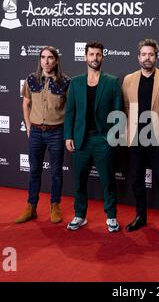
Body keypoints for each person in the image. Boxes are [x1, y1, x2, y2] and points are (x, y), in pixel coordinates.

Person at [122, 39, 159, 237]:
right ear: (138, 57)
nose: (147, 58)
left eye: (151, 54)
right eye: (144, 54)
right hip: (136, 138)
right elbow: (126, 108)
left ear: (156, 56)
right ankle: (140, 216)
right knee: (136, 179)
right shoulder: (128, 79)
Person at [64, 41, 123, 232]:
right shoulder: (76, 82)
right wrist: (68, 136)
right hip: (81, 140)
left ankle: (111, 217)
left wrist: (112, 138)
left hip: (103, 140)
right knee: (80, 181)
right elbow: (70, 112)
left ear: (103, 57)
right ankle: (80, 215)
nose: (95, 58)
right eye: (91, 54)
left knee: (108, 181)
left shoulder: (112, 81)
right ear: (85, 57)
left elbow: (118, 112)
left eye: (98, 54)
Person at [16, 46, 71, 224]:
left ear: (56, 60)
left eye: (50, 58)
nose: (46, 61)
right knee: (34, 170)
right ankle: (31, 207)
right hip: (36, 132)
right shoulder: (31, 79)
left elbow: (70, 110)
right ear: (39, 60)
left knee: (56, 172)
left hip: (56, 132)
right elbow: (26, 104)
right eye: (43, 57)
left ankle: (55, 206)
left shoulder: (65, 82)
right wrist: (28, 126)